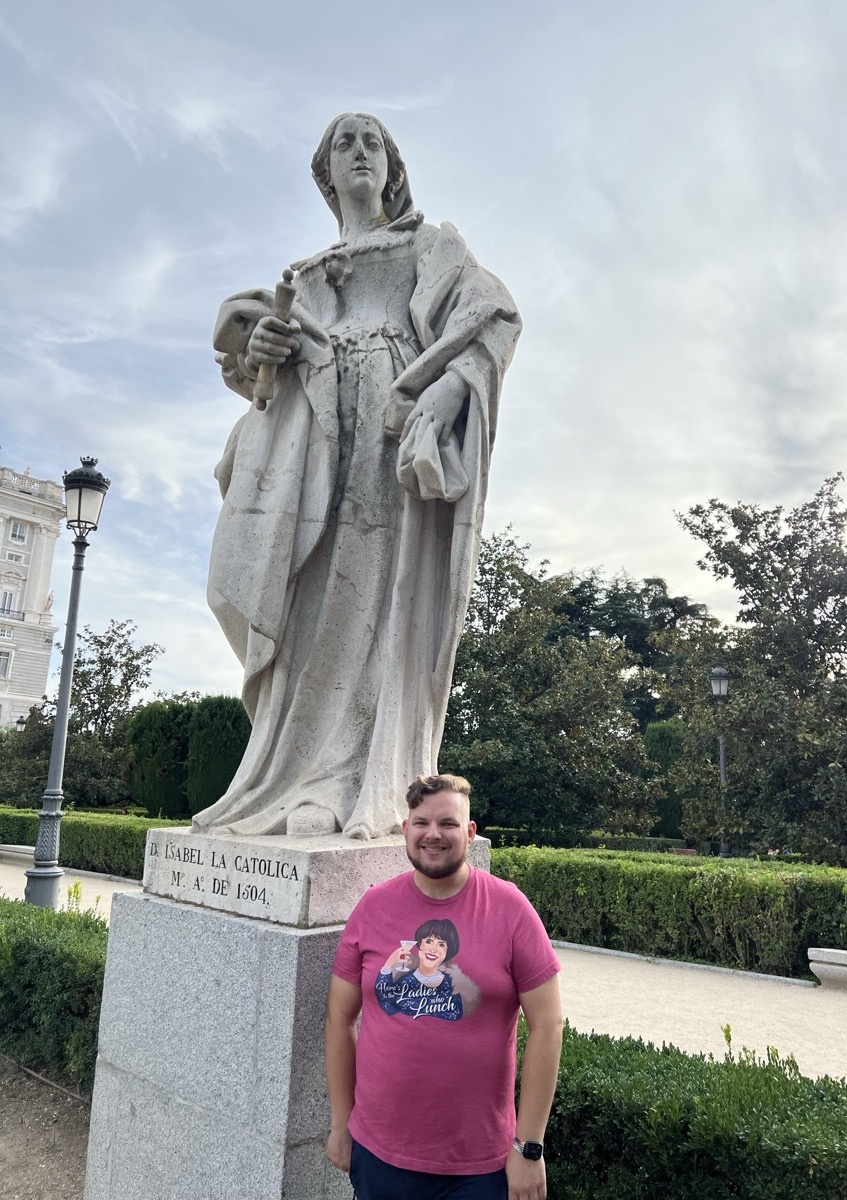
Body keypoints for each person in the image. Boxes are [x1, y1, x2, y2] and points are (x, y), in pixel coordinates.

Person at [194, 113, 521, 842]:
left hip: (386, 421)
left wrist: (442, 392)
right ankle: (282, 776)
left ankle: (345, 783)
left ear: (393, 167)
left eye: (373, 142)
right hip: (311, 439)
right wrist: (268, 348)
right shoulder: (305, 276)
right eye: (346, 144)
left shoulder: (430, 244)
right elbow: (254, 381)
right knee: (305, 601)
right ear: (326, 174)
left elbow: (494, 315)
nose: (361, 152)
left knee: (370, 594)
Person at [325, 774, 563, 1200]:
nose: (433, 835)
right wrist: (342, 1125)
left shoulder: (511, 909)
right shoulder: (372, 907)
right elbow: (340, 1017)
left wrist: (529, 1148)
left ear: (470, 833)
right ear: (406, 830)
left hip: (480, 1168)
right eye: (421, 823)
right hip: (380, 1157)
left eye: (448, 824)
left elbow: (547, 1024)